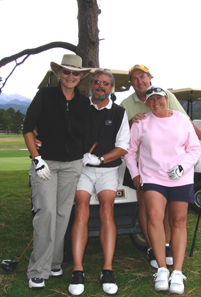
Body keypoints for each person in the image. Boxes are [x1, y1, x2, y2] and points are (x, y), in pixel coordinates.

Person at [120, 64, 201, 269]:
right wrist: (131, 122)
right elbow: (121, 132)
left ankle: (164, 245)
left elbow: (184, 122)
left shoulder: (165, 96)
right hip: (142, 164)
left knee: (167, 210)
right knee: (145, 206)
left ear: (150, 78)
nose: (139, 81)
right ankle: (152, 246)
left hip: (169, 164)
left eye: (143, 77)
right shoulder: (125, 104)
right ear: (131, 83)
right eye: (135, 79)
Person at [23, 54, 91, 290]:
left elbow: (91, 132)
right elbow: (27, 127)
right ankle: (37, 270)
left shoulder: (84, 102)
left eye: (75, 73)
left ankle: (54, 261)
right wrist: (36, 158)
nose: (70, 76)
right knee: (47, 213)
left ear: (80, 76)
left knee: (63, 214)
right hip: (46, 164)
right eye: (66, 71)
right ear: (59, 73)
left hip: (72, 165)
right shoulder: (45, 95)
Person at [125, 86, 201, 294]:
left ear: (166, 99)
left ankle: (177, 271)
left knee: (178, 221)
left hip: (180, 176)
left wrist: (182, 167)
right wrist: (135, 175)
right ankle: (161, 269)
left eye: (159, 98)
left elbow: (194, 149)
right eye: (151, 99)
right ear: (147, 103)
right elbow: (130, 152)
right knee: (154, 217)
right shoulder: (142, 122)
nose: (155, 102)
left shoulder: (182, 120)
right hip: (152, 177)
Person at [68, 69, 130, 296]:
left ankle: (107, 269)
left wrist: (101, 158)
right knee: (81, 207)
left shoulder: (119, 113)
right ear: (91, 85)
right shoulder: (81, 108)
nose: (101, 86)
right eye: (97, 82)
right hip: (82, 169)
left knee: (107, 208)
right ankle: (77, 269)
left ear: (110, 87)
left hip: (108, 170)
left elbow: (123, 146)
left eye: (105, 83)